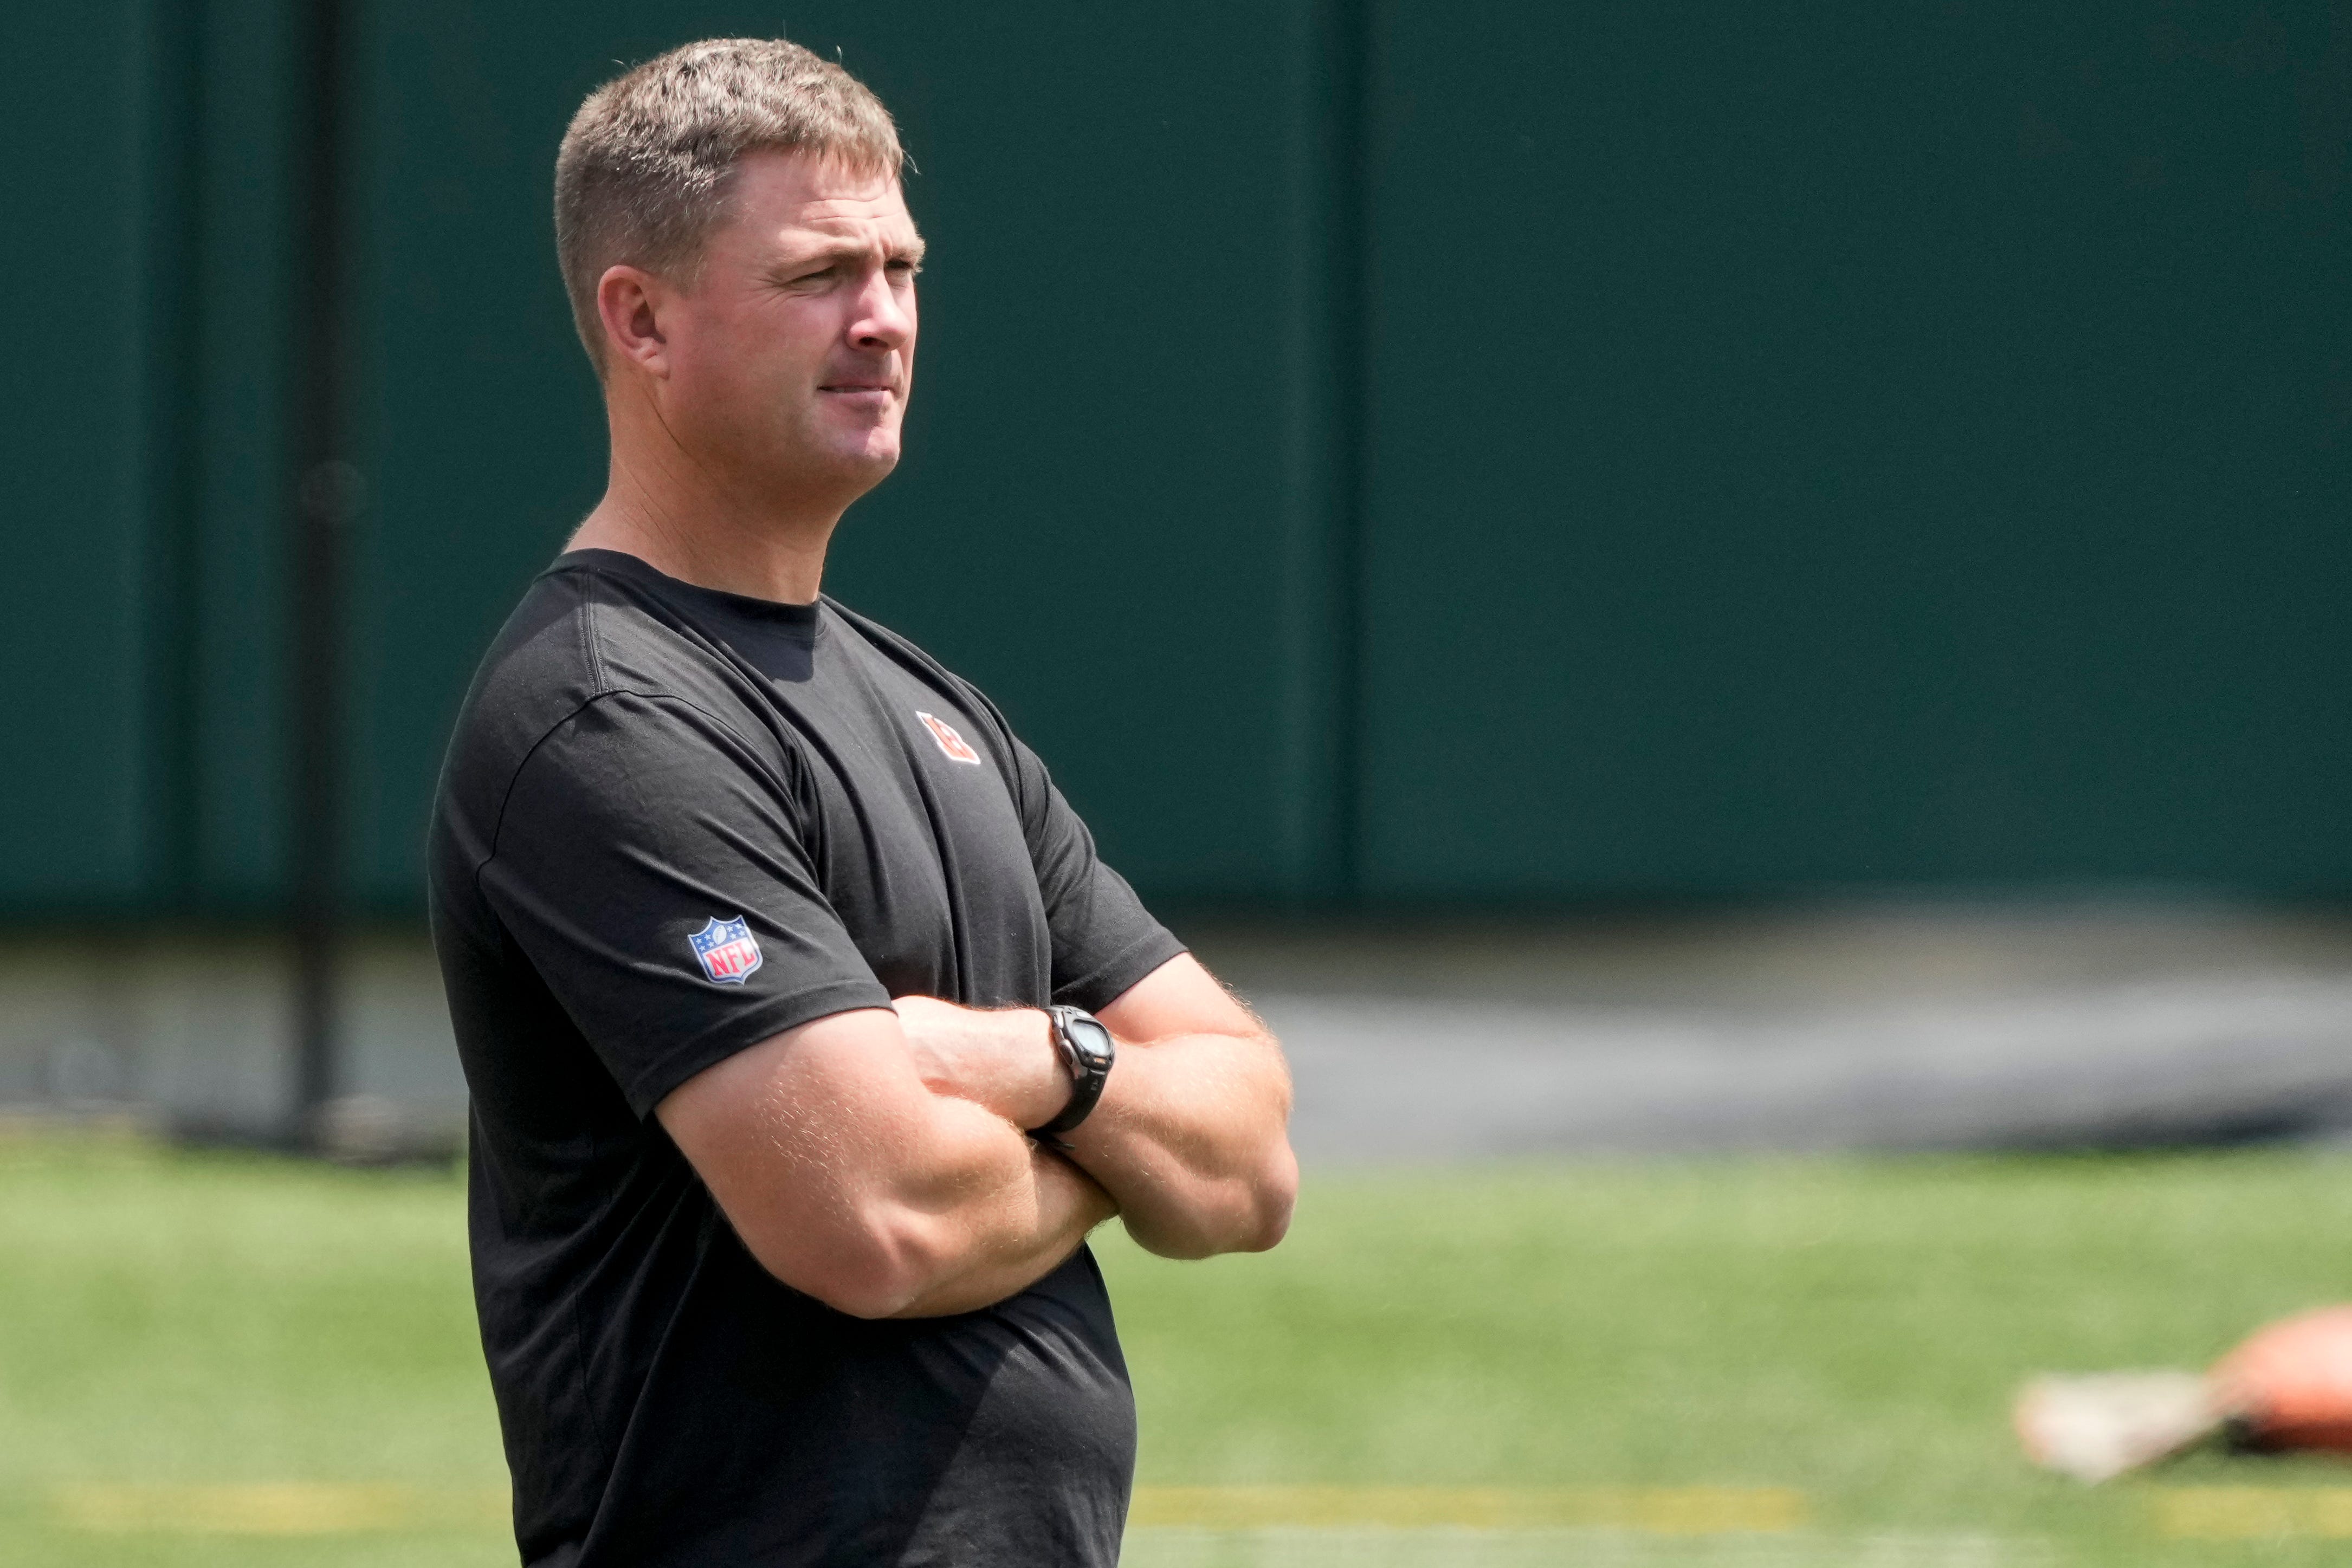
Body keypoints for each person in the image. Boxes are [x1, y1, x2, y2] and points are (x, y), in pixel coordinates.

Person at [427, 36, 1299, 1568]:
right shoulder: (607, 716)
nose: (884, 318)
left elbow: (1250, 1163)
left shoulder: (931, 708)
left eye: (901, 268)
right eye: (819, 275)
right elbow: (880, 1224)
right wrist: (1116, 1139)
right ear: (641, 318)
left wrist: (1038, 1063)